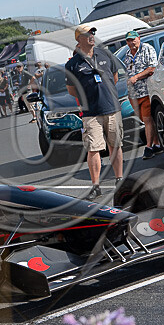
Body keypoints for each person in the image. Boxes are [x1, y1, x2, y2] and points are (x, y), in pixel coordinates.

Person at [65, 24, 123, 200]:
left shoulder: (104, 54)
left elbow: (114, 77)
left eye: (93, 32)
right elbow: (71, 89)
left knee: (116, 145)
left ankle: (119, 179)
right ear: (79, 39)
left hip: (111, 107)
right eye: (88, 33)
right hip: (91, 113)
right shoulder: (72, 64)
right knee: (93, 148)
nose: (92, 35)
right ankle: (96, 185)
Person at [123, 31, 160, 159]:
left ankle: (148, 147)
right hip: (134, 94)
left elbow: (152, 68)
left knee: (148, 120)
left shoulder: (147, 49)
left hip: (146, 91)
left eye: (133, 39)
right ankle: (157, 143)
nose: (131, 42)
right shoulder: (127, 55)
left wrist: (136, 77)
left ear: (139, 39)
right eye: (128, 40)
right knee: (145, 120)